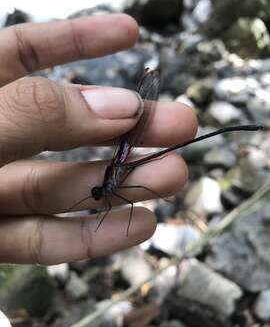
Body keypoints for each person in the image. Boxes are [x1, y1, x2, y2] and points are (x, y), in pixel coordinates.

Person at [0, 14, 197, 265]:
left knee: (150, 181)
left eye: (97, 193)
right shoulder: (109, 187)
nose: (97, 196)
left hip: (124, 158)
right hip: (124, 161)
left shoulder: (110, 184)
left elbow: (138, 189)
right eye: (97, 194)